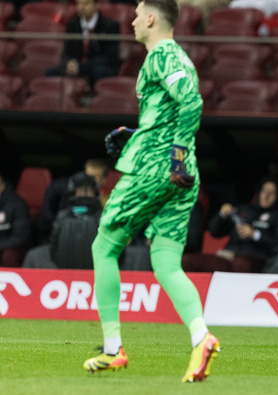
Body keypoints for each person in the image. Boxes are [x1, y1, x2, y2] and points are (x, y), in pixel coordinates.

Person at [82, 0, 219, 383]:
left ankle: (113, 349)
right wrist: (138, 133)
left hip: (159, 168)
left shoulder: (163, 54)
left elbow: (191, 100)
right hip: (180, 173)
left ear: (152, 18)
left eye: (137, 13)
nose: (131, 20)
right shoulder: (172, 58)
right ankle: (200, 336)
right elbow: (173, 109)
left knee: (104, 246)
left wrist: (172, 153)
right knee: (165, 262)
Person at [182, 176, 278, 273]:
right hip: (228, 257)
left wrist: (256, 235)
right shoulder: (243, 209)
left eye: (271, 193)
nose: (266, 196)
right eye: (264, 191)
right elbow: (215, 232)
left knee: (241, 265)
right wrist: (222, 215)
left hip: (256, 260)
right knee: (187, 261)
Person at [23, 173, 102, 269]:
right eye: (81, 191)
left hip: (98, 262)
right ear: (74, 192)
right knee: (33, 255)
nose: (84, 194)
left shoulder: (102, 216)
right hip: (63, 262)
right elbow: (54, 245)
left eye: (88, 191)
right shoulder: (63, 215)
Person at [46, 0, 121, 85]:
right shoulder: (72, 25)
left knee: (100, 72)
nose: (81, 7)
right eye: (79, 4)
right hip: (77, 66)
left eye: (86, 4)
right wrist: (70, 63)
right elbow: (67, 52)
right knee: (51, 72)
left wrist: (82, 67)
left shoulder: (110, 26)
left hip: (96, 67)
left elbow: (109, 57)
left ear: (96, 5)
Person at [37, 158, 110, 244]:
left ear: (104, 180)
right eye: (86, 176)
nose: (88, 181)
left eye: (94, 177)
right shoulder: (68, 196)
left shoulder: (110, 202)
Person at [0, 173, 31, 267]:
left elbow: (21, 237)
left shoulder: (17, 205)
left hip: (12, 248)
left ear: (2, 186)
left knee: (9, 255)